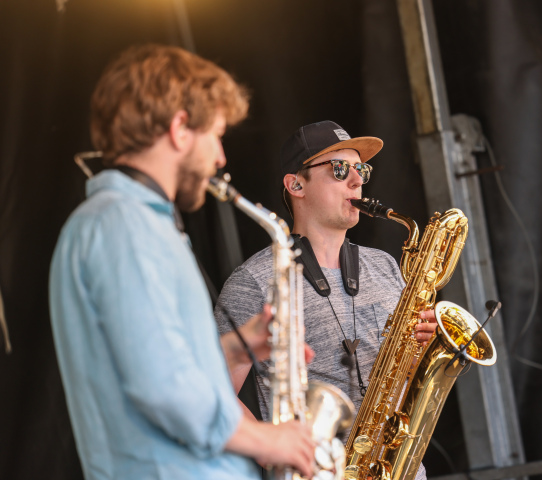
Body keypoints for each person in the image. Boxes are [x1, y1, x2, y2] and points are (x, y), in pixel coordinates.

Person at [49, 44, 314, 480]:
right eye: (217, 134)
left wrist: (233, 347)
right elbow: (163, 389)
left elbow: (147, 359)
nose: (221, 158)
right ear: (180, 128)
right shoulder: (123, 225)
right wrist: (270, 439)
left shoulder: (131, 223)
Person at [215, 120, 436, 479]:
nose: (357, 181)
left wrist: (422, 351)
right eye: (339, 169)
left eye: (361, 169)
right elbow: (215, 393)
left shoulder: (385, 266)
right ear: (296, 184)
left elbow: (407, 383)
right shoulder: (254, 281)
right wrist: (275, 453)